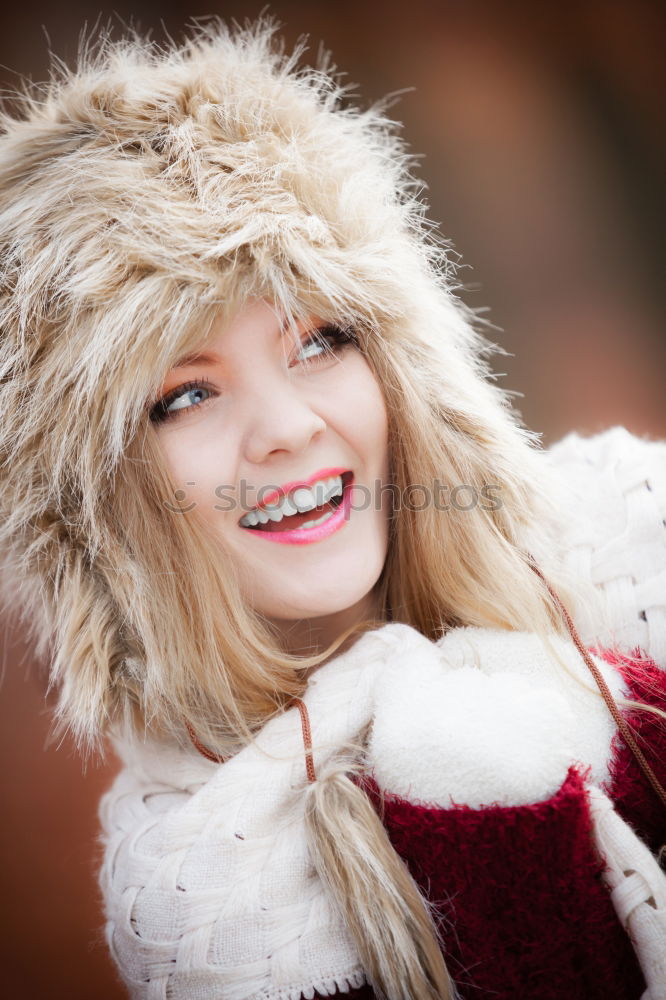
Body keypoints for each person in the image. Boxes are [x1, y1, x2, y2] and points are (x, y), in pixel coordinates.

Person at [0, 18, 664, 1000]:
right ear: (94, 504)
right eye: (187, 394)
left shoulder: (627, 540)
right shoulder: (208, 898)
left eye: (319, 340)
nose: (287, 427)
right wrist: (491, 810)